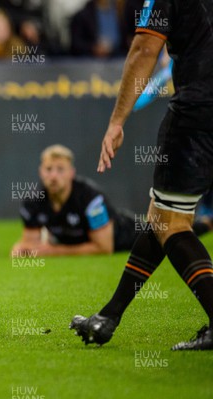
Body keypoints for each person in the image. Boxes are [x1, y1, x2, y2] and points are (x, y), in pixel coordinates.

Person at [70, 0, 213, 350]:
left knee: (170, 223)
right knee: (162, 218)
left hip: (199, 115)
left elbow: (144, 48)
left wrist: (117, 120)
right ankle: (109, 317)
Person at [11, 144, 136, 258]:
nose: (53, 176)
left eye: (60, 169)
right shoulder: (33, 201)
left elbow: (104, 248)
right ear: (40, 172)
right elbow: (31, 245)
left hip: (132, 234)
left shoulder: (91, 199)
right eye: (48, 169)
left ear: (71, 173)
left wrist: (54, 251)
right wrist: (21, 249)